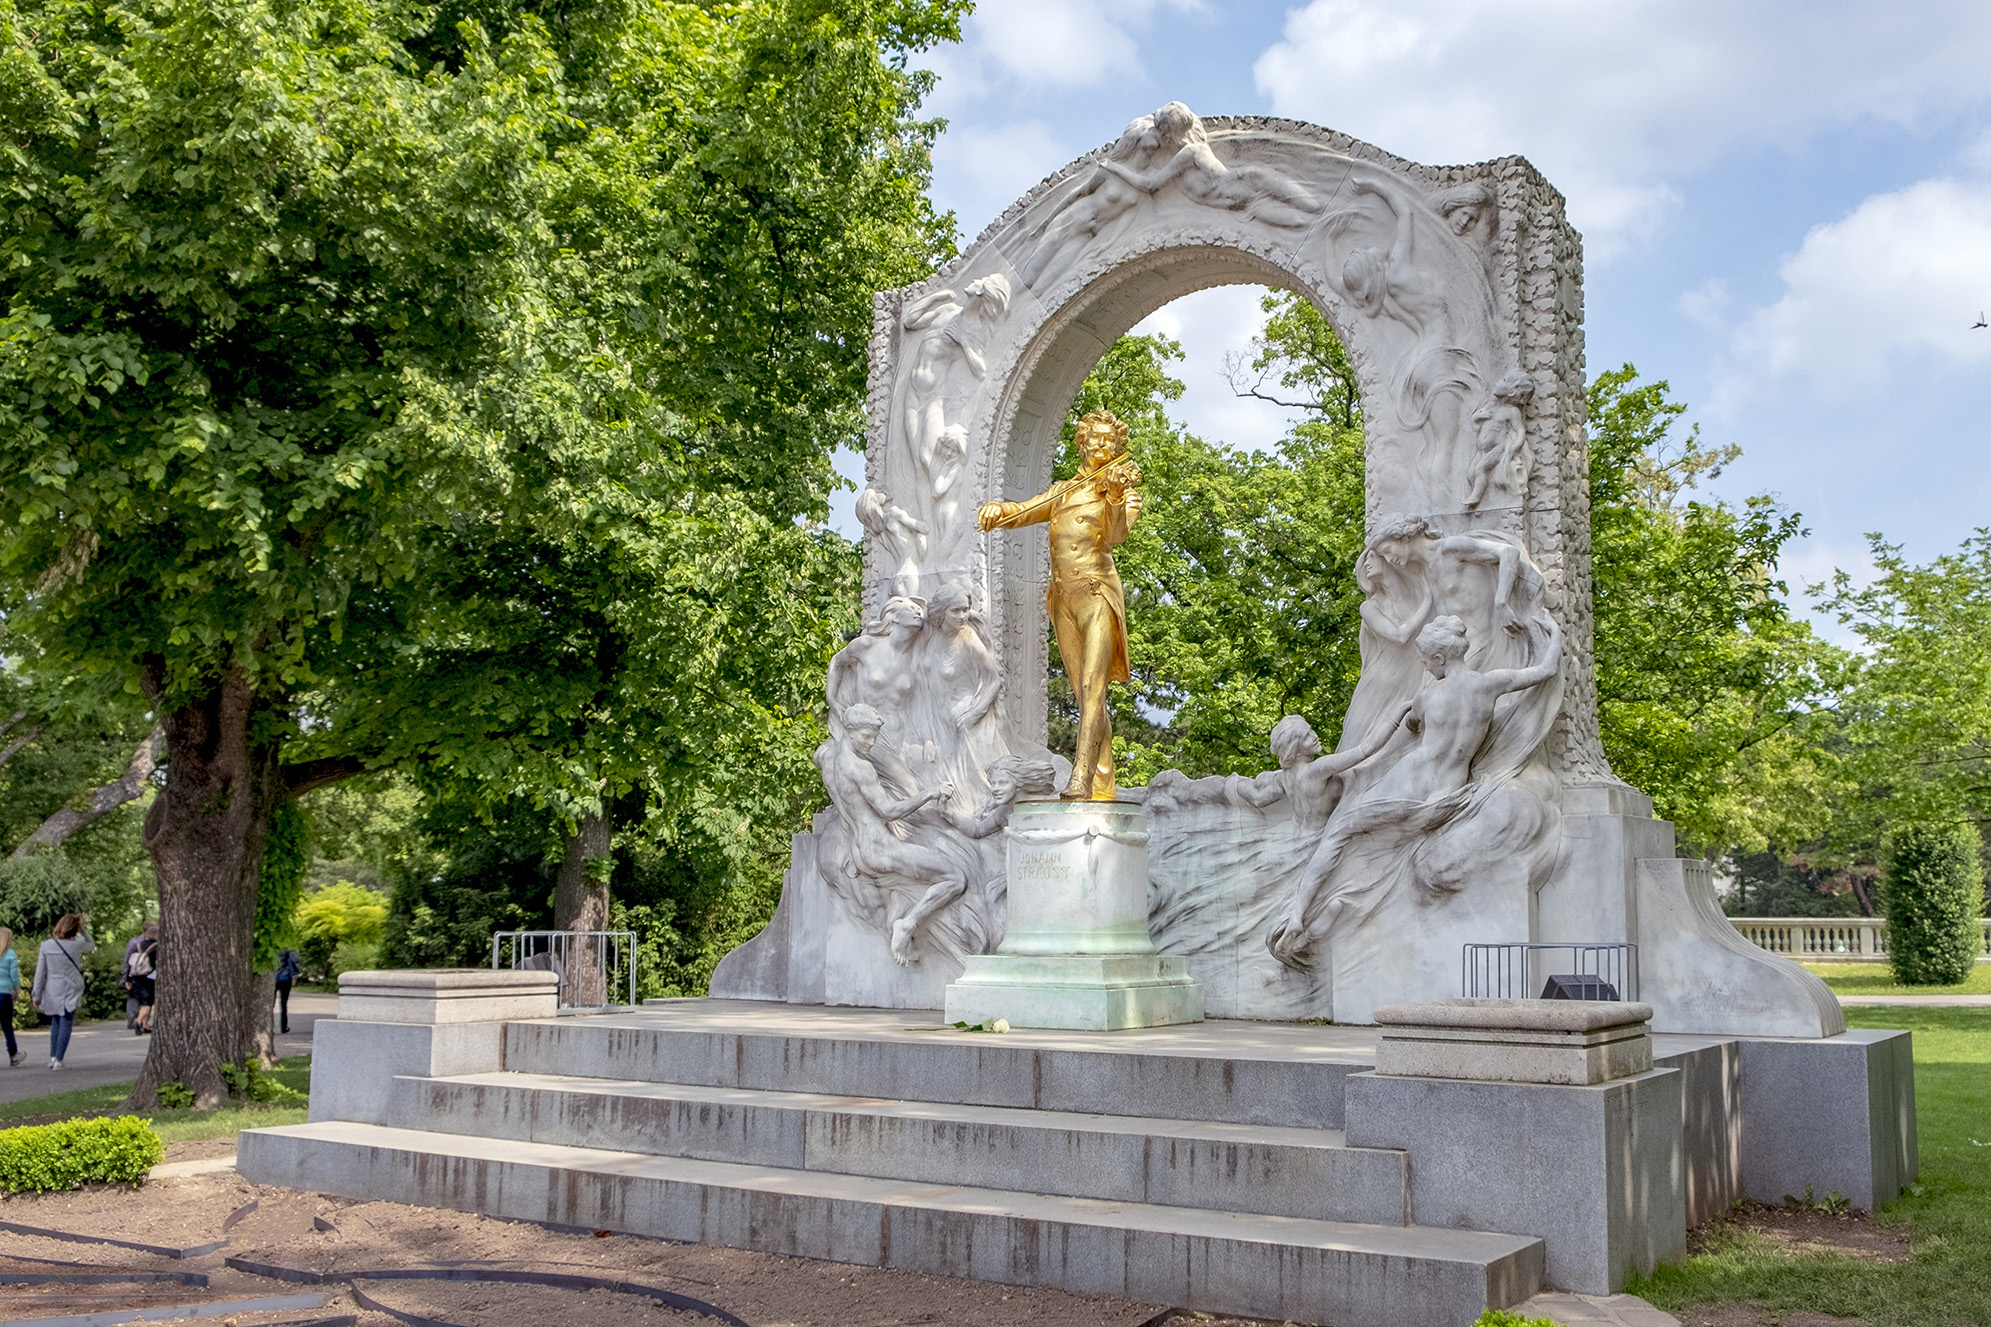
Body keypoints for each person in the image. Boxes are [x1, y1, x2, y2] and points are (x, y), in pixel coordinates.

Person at [31, 913, 95, 1070]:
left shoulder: (46, 945)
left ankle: (53, 1057)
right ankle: (59, 1059)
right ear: (75, 929)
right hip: (71, 986)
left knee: (56, 1022)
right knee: (66, 1020)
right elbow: (91, 945)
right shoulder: (77, 944)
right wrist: (83, 930)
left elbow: (41, 973)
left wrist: (36, 994)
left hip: (53, 988)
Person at [122, 921, 157, 1029]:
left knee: (138, 999)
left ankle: (143, 1023)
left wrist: (128, 978)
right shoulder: (157, 946)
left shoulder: (137, 944)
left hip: (137, 975)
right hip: (149, 976)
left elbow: (130, 961)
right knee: (148, 1002)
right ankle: (139, 1021)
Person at [0, 927, 21, 1067]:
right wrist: (16, 990)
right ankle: (13, 1055)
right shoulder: (10, 955)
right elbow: (13, 975)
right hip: (4, 994)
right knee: (7, 1027)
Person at [275, 947, 302, 1034]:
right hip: (285, 978)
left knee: (269, 1005)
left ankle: (268, 1027)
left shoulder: (272, 948)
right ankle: (283, 1027)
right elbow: (296, 959)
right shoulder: (287, 949)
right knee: (283, 1005)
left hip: (273, 979)